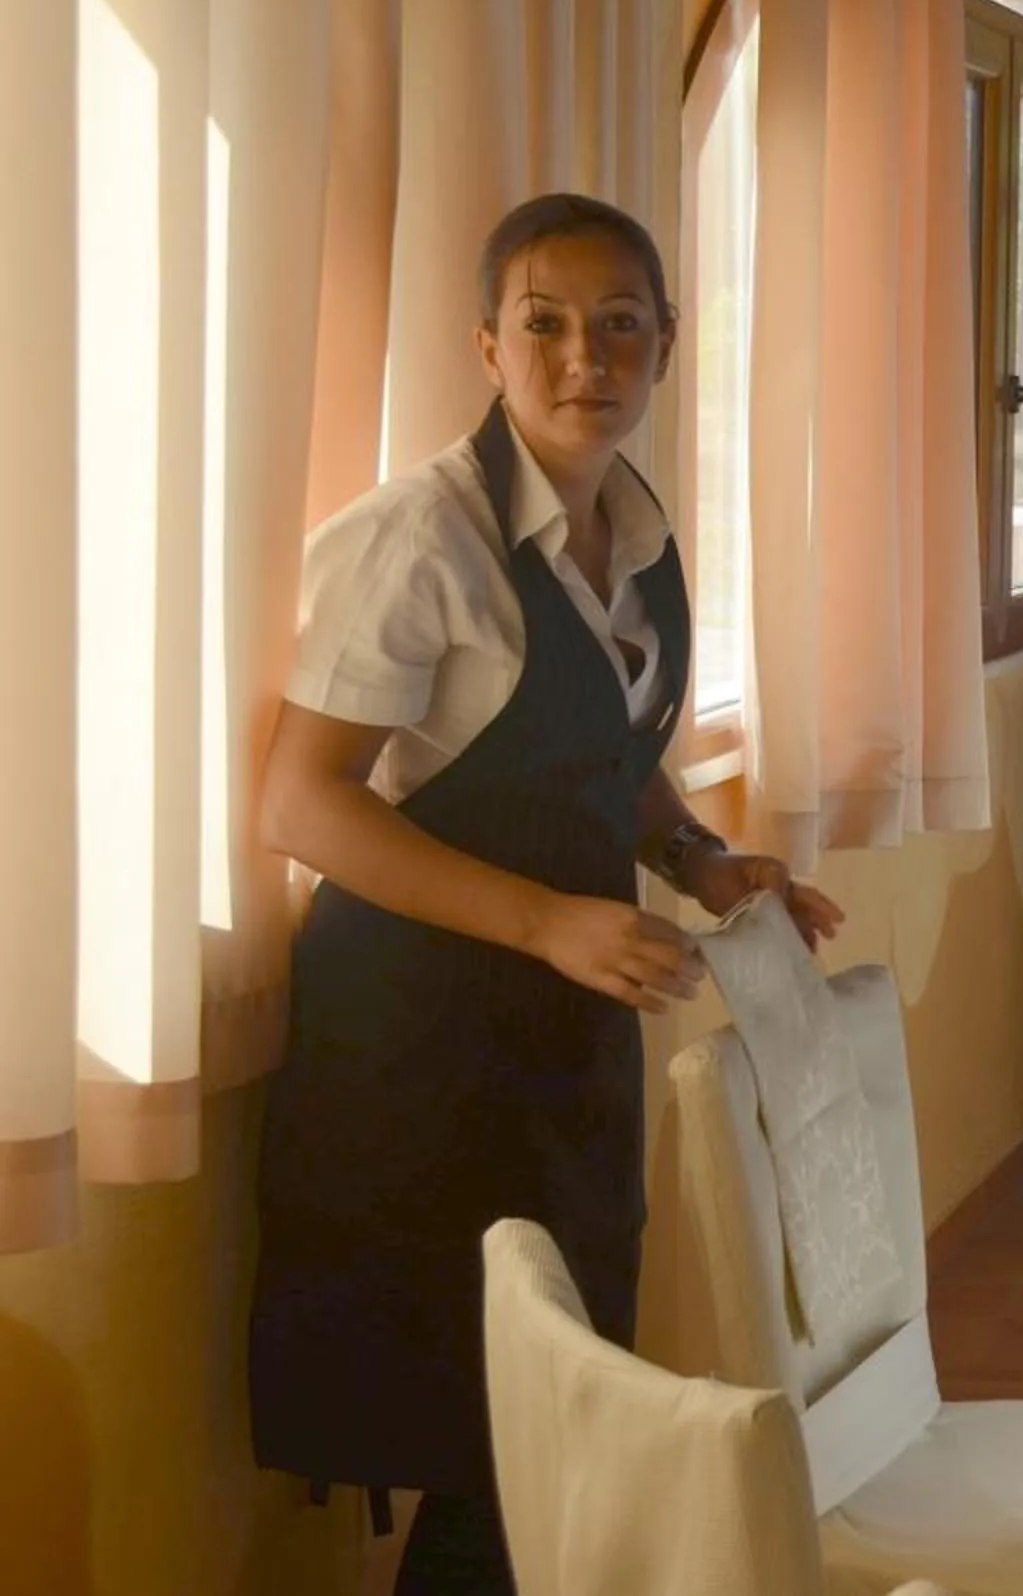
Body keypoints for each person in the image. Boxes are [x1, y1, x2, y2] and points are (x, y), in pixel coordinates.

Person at [249, 193, 843, 1594]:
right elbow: (300, 801)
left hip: (567, 1042)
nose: (588, 357)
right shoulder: (418, 543)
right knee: (478, 1434)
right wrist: (548, 921)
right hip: (420, 1045)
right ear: (487, 344)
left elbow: (609, 759)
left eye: (621, 325)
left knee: (561, 1417)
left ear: (667, 344)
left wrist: (700, 859)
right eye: (548, 324)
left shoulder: (634, 535)